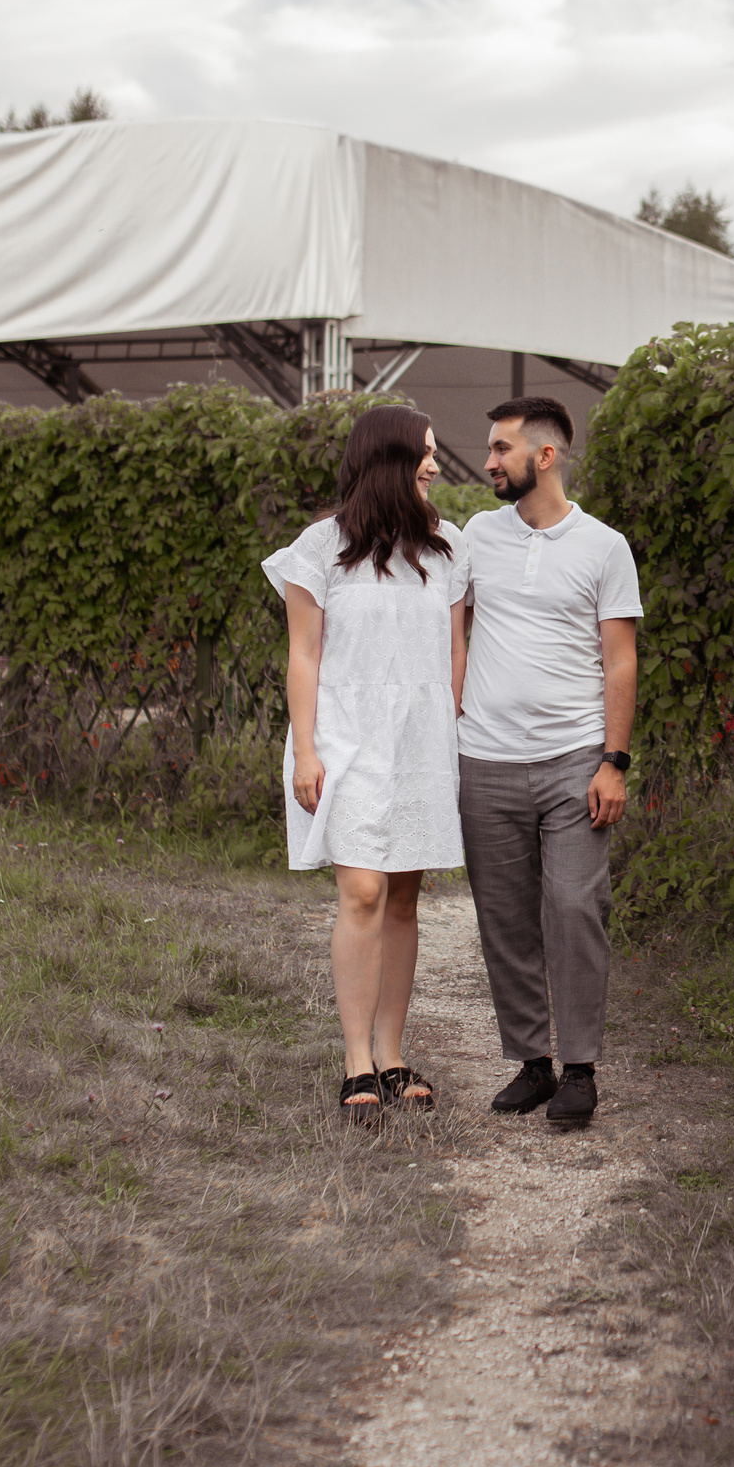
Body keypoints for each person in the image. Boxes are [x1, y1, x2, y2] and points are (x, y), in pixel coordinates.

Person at [261, 406, 470, 1121]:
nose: (436, 465)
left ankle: (393, 1051)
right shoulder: (318, 548)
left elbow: (455, 655)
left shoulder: (447, 547)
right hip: (345, 738)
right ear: (389, 457)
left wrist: (453, 734)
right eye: (425, 453)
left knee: (405, 897)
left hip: (419, 740)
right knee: (362, 892)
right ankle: (355, 1060)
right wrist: (307, 748)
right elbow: (304, 655)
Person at [456, 394, 643, 1124]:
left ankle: (580, 1069)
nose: (489, 460)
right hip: (486, 757)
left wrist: (614, 760)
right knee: (504, 916)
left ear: (545, 455)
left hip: (574, 759)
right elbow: (454, 631)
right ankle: (532, 1063)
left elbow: (620, 661)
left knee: (572, 906)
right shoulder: (476, 534)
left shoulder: (604, 546)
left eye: (501, 448)